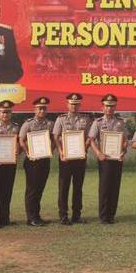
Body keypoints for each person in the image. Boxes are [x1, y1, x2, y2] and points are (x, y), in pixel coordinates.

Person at [53, 93, 91, 225]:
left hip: (80, 158)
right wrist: (61, 152)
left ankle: (76, 216)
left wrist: (84, 149)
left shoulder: (85, 119)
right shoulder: (61, 119)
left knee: (78, 188)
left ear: (79, 105)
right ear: (67, 104)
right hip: (66, 159)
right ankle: (63, 216)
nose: (74, 106)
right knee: (64, 188)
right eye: (71, 104)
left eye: (76, 104)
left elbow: (89, 137)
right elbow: (55, 136)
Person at [88, 94, 127, 223]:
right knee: (104, 188)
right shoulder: (98, 122)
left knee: (115, 187)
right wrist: (98, 153)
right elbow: (91, 140)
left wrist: (123, 151)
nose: (109, 108)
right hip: (104, 159)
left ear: (115, 107)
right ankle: (104, 216)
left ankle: (111, 215)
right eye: (107, 106)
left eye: (112, 106)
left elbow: (125, 140)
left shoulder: (120, 122)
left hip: (117, 159)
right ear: (102, 107)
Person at [19, 97, 54, 226]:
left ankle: (36, 216)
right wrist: (28, 153)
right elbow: (21, 140)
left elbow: (54, 139)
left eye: (44, 108)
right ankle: (31, 218)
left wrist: (50, 150)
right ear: (35, 109)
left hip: (44, 160)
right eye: (39, 108)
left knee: (40, 189)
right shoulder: (28, 124)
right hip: (32, 161)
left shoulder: (50, 124)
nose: (42, 111)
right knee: (32, 189)